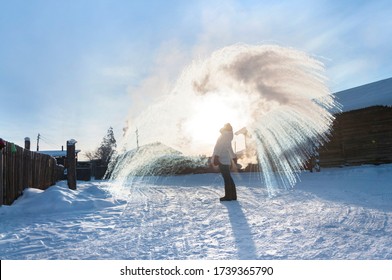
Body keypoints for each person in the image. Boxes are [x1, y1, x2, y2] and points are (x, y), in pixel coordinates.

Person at [212, 123, 238, 201]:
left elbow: (219, 147)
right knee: (228, 178)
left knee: (227, 178)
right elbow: (230, 149)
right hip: (226, 160)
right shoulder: (228, 137)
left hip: (222, 160)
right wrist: (233, 157)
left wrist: (216, 157)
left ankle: (228, 196)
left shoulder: (224, 136)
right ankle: (233, 195)